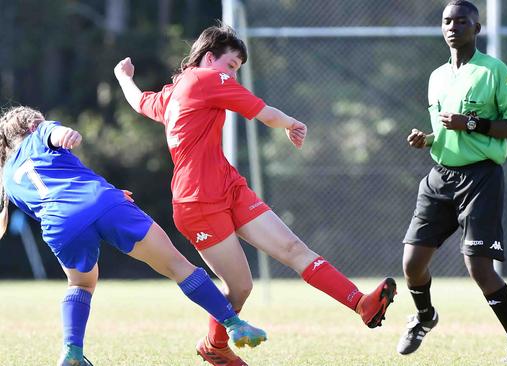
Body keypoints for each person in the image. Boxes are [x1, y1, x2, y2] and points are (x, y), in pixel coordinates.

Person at [114, 23, 397, 366]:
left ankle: (361, 303)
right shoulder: (206, 79)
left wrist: (123, 77)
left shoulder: (171, 93)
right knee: (241, 287)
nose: (232, 76)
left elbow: (139, 101)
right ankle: (214, 346)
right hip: (197, 202)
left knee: (293, 249)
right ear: (208, 58)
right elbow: (262, 112)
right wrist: (291, 123)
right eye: (230, 66)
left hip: (229, 186)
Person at [0, 106, 267, 366]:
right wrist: (67, 135)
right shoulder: (40, 132)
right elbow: (55, 134)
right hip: (104, 202)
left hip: (60, 224)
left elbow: (52, 200)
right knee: (177, 265)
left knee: (80, 285)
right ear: (32, 125)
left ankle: (72, 351)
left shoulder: (9, 179)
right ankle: (234, 324)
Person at [396, 1, 507, 362]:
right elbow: (445, 131)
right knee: (412, 264)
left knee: (479, 267)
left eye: (461, 21)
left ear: (476, 28)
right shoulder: (437, 76)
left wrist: (471, 123)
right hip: (439, 176)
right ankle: (425, 317)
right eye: (447, 21)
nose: (453, 26)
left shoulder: (493, 71)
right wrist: (426, 139)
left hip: (480, 178)